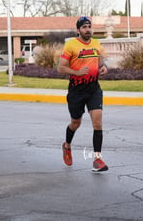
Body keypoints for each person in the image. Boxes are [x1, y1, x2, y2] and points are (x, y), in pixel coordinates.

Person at [57, 16, 109, 172]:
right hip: (76, 90)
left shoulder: (96, 44)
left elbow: (100, 62)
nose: (88, 30)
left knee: (98, 122)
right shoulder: (71, 45)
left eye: (89, 26)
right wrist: (77, 72)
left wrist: (103, 68)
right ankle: (67, 145)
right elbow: (61, 68)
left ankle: (97, 159)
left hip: (93, 88)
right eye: (84, 27)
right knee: (75, 123)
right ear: (78, 30)